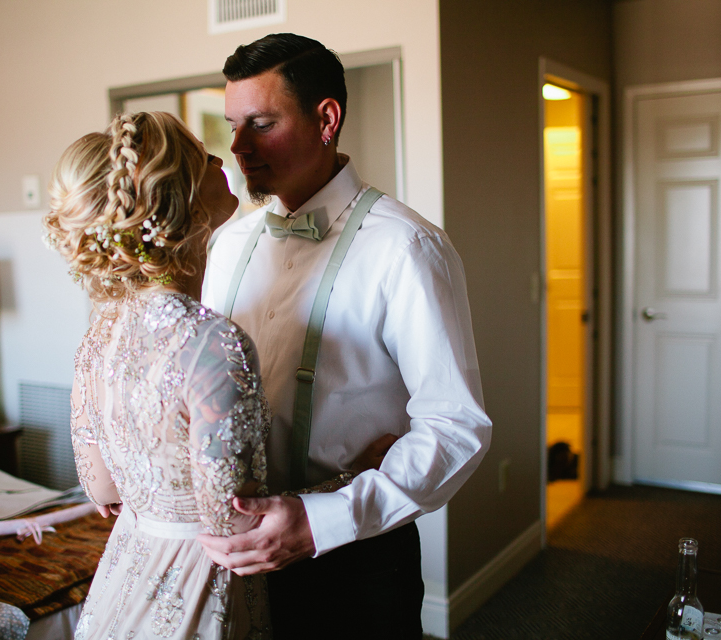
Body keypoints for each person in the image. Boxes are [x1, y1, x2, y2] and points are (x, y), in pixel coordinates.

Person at [200, 33, 493, 639]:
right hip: (234, 557)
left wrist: (322, 518)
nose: (238, 148)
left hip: (354, 561)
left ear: (326, 118)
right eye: (233, 125)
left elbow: (456, 427)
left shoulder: (406, 248)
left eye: (261, 123)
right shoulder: (227, 246)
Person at [44, 111, 269, 639]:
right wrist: (354, 476)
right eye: (203, 156)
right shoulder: (212, 343)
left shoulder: (98, 337)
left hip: (124, 575)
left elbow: (100, 488)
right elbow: (235, 522)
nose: (222, 158)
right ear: (183, 201)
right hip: (198, 587)